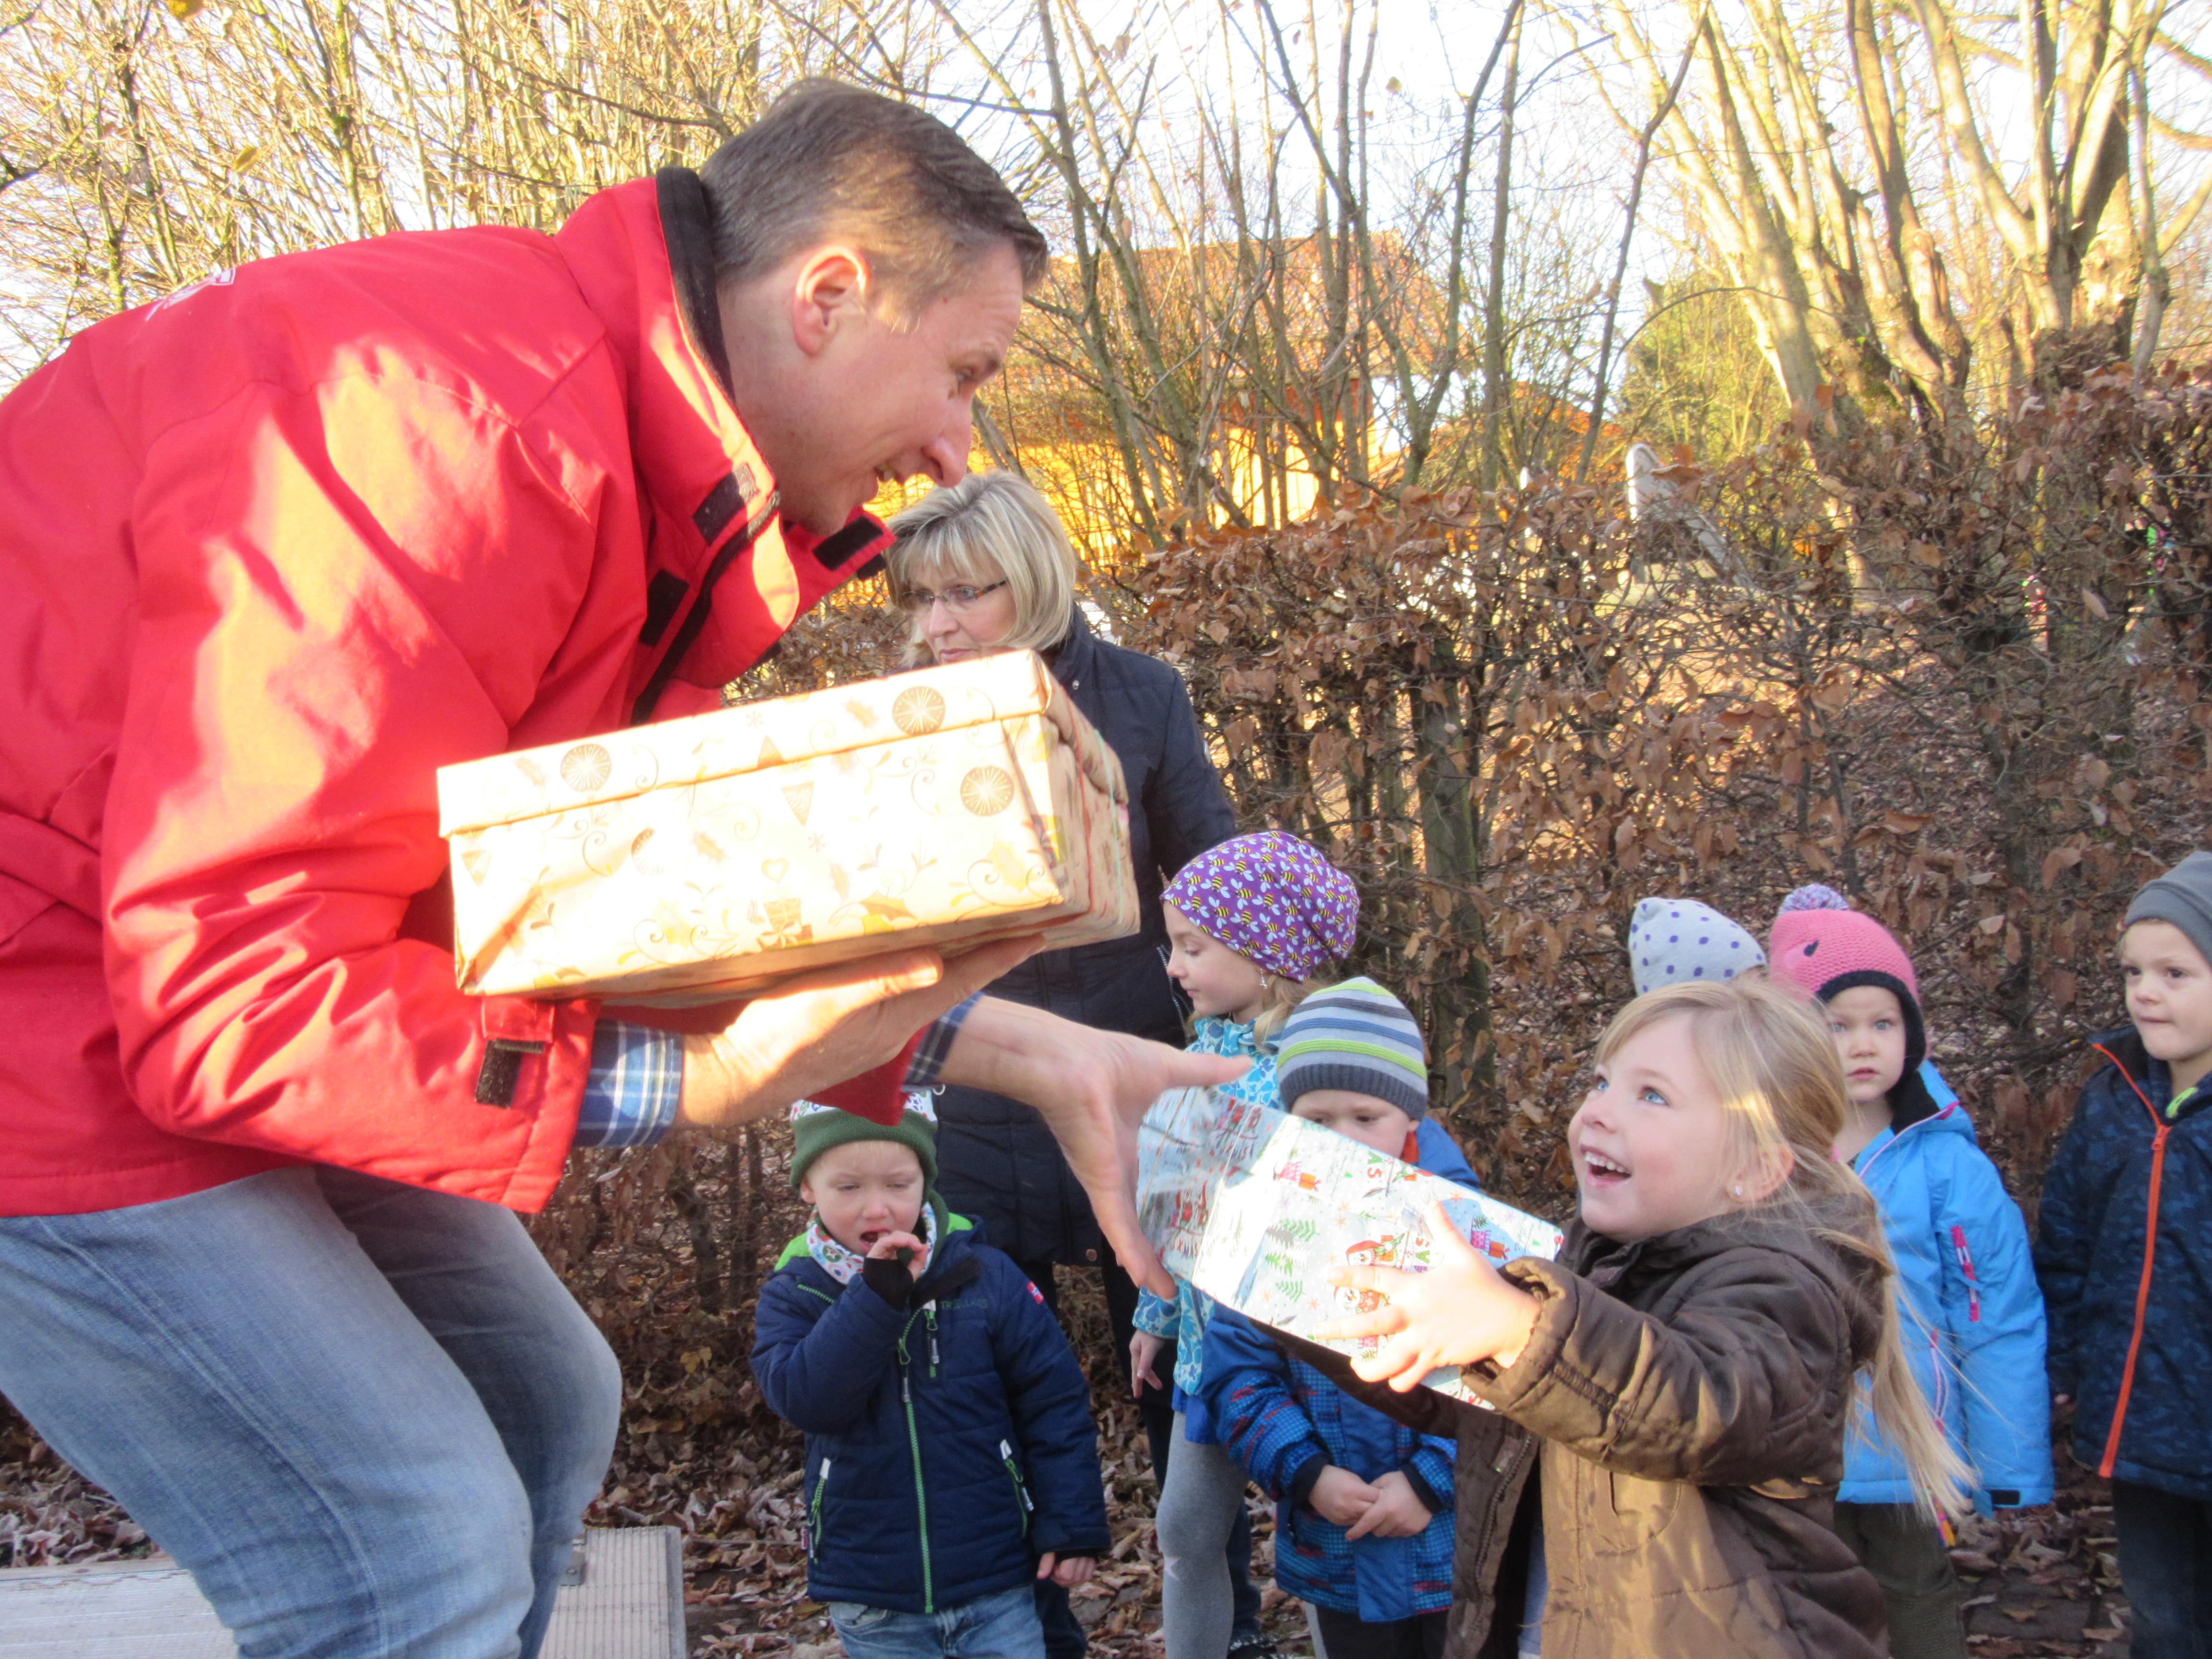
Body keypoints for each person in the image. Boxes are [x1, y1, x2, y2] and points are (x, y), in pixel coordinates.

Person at [0, 80, 1240, 1659]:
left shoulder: (634, 493)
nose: (956, 443)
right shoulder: (453, 436)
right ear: (830, 291)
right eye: (963, 373)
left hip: (151, 961)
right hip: (47, 1000)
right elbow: (227, 990)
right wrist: (687, 1080)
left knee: (540, 1396)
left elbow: (578, 908)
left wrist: (1041, 1050)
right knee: (410, 1544)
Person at [1319, 976, 1970, 1658]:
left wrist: (1519, 1329)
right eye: (1602, 1083)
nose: (1598, 1112)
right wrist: (1329, 1301)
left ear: (1753, 1168)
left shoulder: (1786, 1287)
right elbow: (1491, 1413)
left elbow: (1702, 1404)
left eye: (1651, 1095)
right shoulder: (1598, 1264)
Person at [884, 471, 1243, 1655]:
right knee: (983, 1370)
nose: (935, 625)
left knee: (1174, 1357)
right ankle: (1027, 1623)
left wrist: (1251, 1039)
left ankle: (1217, 1611)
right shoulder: (898, 710)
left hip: (1137, 1075)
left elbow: (1213, 881)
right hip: (981, 1085)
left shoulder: (1142, 695)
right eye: (920, 598)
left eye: (963, 595)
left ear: (1032, 577)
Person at [1766, 885, 2051, 1659]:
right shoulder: (1764, 1159)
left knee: (1915, 1598)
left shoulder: (1947, 1167)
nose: (1863, 1044)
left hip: (1904, 1442)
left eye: (1883, 1023)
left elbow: (1996, 1317)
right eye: (1838, 1024)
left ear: (1911, 1034)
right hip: (1789, 1445)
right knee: (1800, 1612)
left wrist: (2007, 1463)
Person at [751, 1095, 1109, 1659]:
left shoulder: (984, 1274)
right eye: (848, 1189)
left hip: (997, 1580)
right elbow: (807, 1400)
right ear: (807, 1189)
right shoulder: (797, 1291)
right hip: (874, 1593)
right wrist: (875, 1298)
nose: (878, 1210)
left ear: (926, 1178)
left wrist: (1072, 1524)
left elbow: (1054, 1402)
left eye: (898, 1184)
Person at [1131, 831, 1359, 1659]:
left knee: (1331, 1532)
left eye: (1194, 945)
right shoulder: (1197, 1059)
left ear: (1267, 951)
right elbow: (1168, 1202)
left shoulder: (1325, 1064)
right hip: (1212, 1352)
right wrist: (1155, 1310)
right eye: (1174, 945)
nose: (1174, 966)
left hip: (1312, 1361)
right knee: (1186, 1531)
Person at [1203, 980, 1474, 1659]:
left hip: (1456, 1547)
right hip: (1337, 1549)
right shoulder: (1266, 1234)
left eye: (1365, 1117)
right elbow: (1236, 1377)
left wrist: (1428, 1480)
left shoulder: (1465, 1232)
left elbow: (1506, 1381)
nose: (1343, 1140)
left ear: (1411, 1119)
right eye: (1317, 1120)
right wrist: (1307, 1472)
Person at [2036, 850, 2212, 1658]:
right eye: (2133, 970)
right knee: (2164, 1619)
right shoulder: (2112, 1098)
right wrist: (2063, 1364)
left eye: (2175, 973)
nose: (2144, 991)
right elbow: (2067, 1242)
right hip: (2139, 1424)